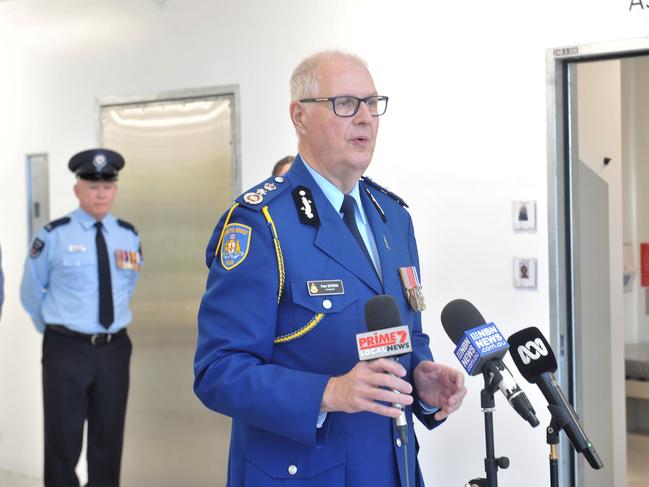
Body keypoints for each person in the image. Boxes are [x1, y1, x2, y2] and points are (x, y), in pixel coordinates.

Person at [194, 51, 466, 486]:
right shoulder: (261, 223)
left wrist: (422, 381)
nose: (364, 118)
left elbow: (407, 336)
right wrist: (328, 393)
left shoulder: (393, 218)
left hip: (390, 468)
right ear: (300, 116)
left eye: (372, 103)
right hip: (302, 473)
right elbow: (218, 372)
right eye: (345, 103)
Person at [20, 148, 142, 487]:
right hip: (66, 349)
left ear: (115, 189)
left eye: (107, 185)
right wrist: (55, 329)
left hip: (114, 349)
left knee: (109, 438)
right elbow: (31, 291)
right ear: (78, 189)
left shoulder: (128, 235)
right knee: (62, 438)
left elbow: (126, 286)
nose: (100, 193)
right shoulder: (53, 235)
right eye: (92, 185)